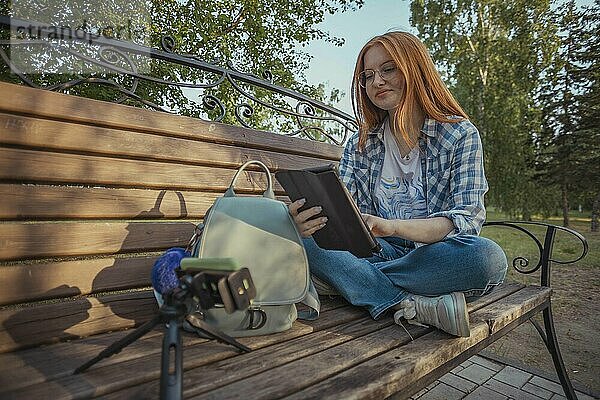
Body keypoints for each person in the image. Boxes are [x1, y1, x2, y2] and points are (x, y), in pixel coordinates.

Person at [288, 31, 508, 337]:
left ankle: (348, 283)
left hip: (432, 255)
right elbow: (342, 218)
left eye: (388, 69)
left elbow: (466, 221)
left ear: (414, 68)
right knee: (307, 241)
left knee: (488, 259)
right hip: (377, 251)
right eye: (368, 75)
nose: (376, 81)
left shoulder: (459, 135)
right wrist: (306, 223)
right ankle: (406, 304)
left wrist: (393, 227)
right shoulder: (360, 144)